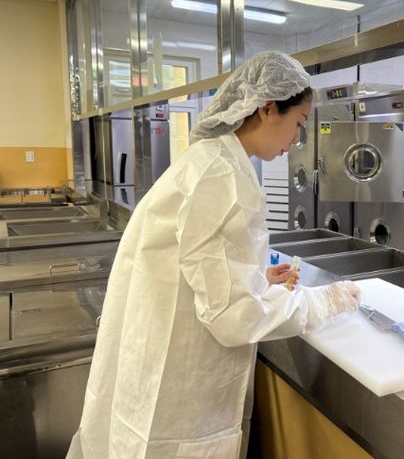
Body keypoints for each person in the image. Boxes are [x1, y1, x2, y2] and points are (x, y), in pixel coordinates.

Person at [66, 51, 361, 459]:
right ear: (267, 108)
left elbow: (197, 264)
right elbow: (233, 316)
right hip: (177, 396)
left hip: (156, 367)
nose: (297, 139)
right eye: (298, 123)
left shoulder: (211, 161)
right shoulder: (222, 177)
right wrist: (322, 302)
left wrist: (253, 277)